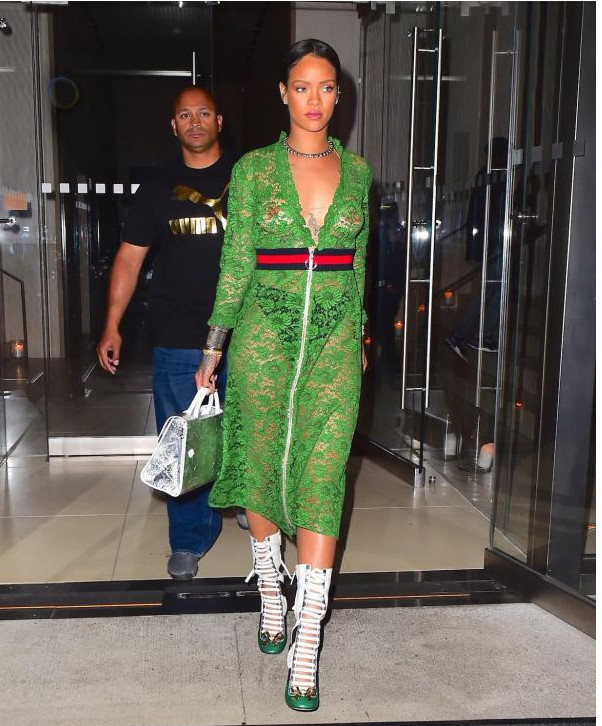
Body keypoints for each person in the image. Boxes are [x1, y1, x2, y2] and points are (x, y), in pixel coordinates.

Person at [197, 39, 371, 712]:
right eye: (302, 86)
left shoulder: (358, 173)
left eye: (326, 87)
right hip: (262, 344)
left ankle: (308, 638)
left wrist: (359, 332)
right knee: (261, 464)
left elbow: (360, 264)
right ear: (283, 93)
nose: (314, 100)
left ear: (338, 95)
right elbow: (236, 264)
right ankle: (272, 591)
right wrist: (215, 347)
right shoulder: (253, 171)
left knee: (324, 477)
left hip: (333, 349)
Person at [97, 86, 245, 582]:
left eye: (204, 112)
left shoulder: (248, 178)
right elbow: (129, 259)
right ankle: (189, 537)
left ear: (219, 121)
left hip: (248, 331)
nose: (195, 121)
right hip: (179, 332)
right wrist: (112, 324)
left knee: (248, 430)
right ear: (174, 125)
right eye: (185, 114)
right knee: (183, 439)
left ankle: (245, 498)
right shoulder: (157, 189)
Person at [444, 137, 508, 361]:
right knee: (493, 290)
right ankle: (464, 335)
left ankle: (475, 335)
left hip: (488, 243)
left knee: (494, 290)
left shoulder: (489, 175)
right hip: (491, 244)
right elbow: (490, 214)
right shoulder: (492, 177)